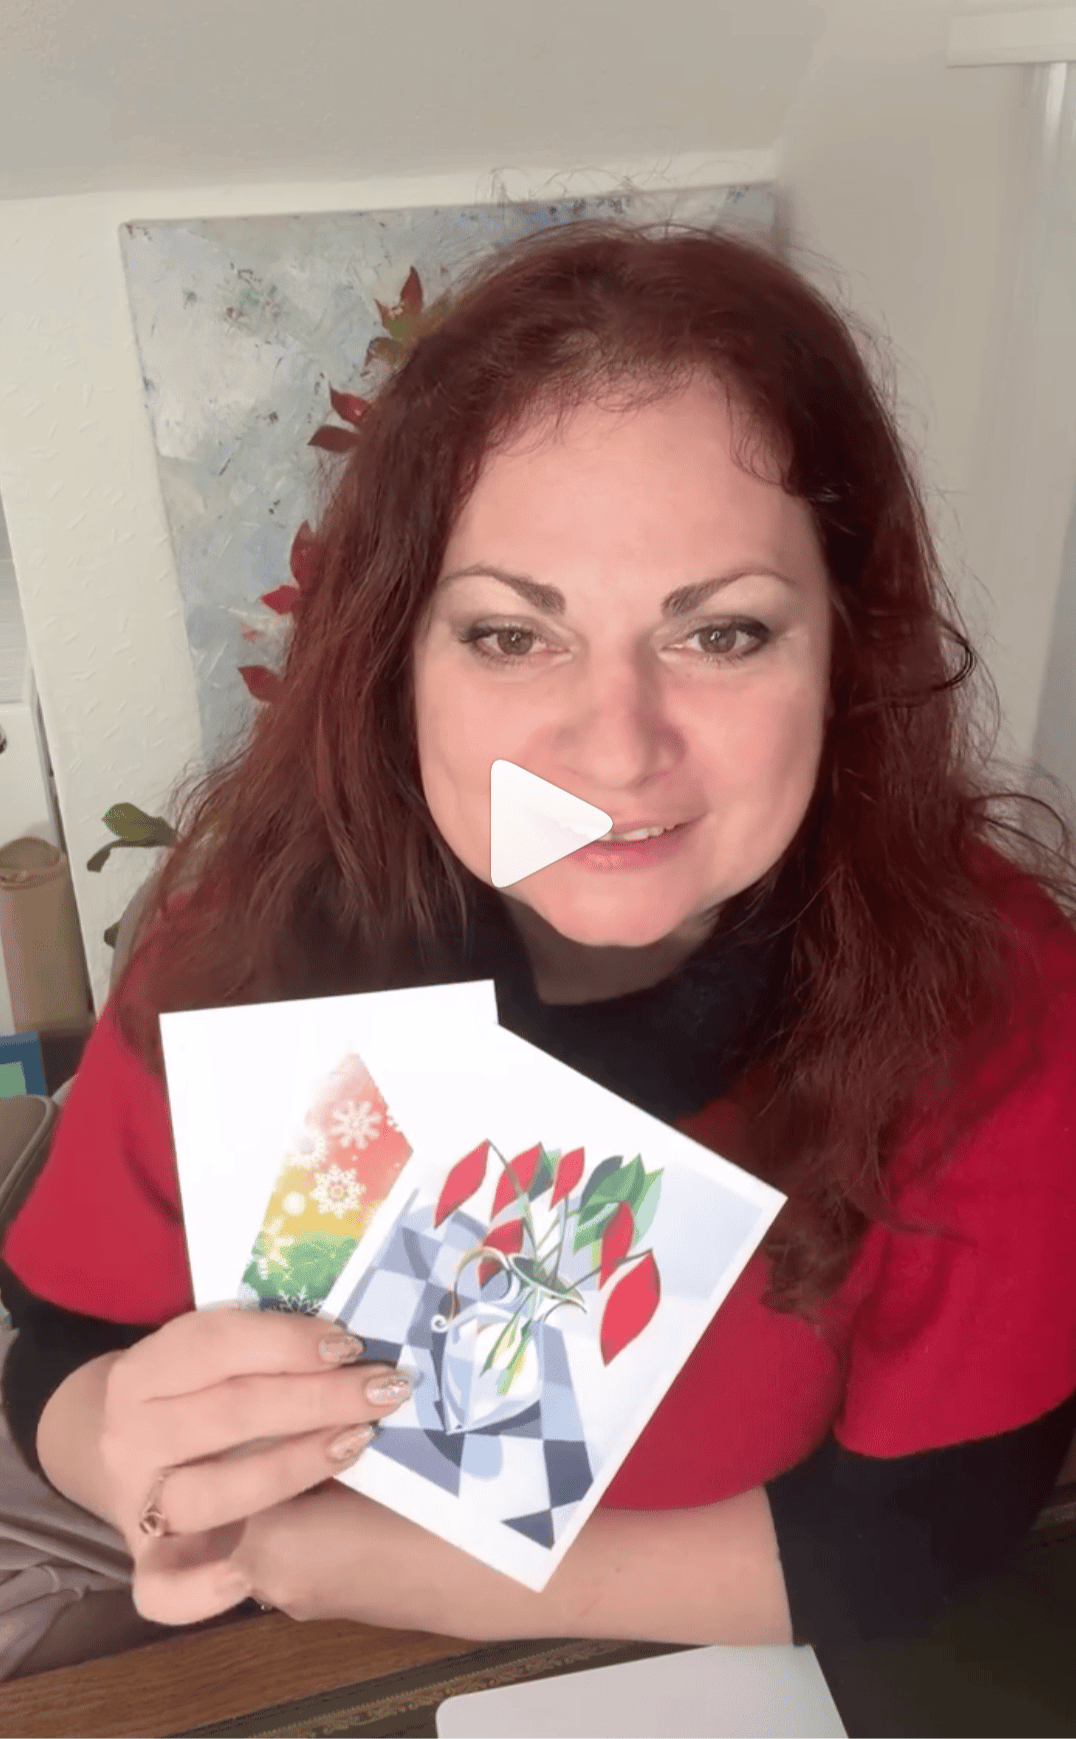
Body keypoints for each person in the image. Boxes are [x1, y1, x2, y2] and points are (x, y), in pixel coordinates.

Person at [2, 222, 1075, 1655]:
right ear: (396, 657)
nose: (616, 750)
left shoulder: (992, 1000)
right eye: (513, 634)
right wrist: (122, 1450)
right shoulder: (247, 945)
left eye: (723, 633)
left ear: (844, 648)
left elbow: (917, 1528)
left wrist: (339, 1562)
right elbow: (66, 1345)